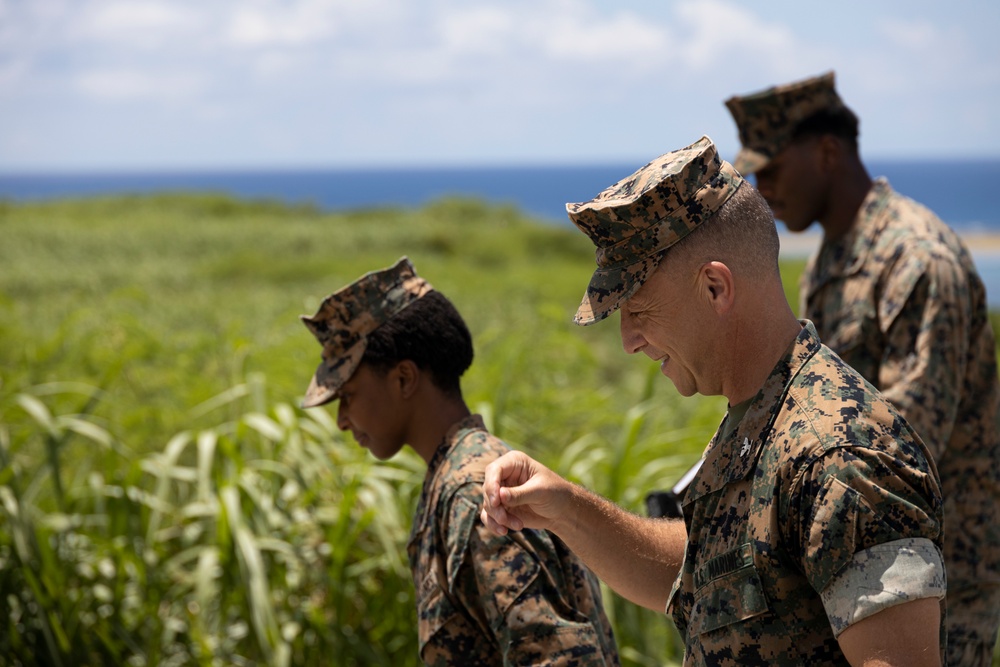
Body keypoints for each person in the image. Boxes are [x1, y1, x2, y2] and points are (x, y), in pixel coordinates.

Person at [481, 136, 947, 666]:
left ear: (714, 289)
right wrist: (565, 509)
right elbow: (705, 584)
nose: (629, 340)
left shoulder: (841, 454)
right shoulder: (758, 420)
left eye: (640, 310)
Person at [725, 71, 1000, 666]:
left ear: (827, 152)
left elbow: (901, 440)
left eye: (772, 169)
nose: (762, 188)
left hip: (939, 578)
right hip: (861, 560)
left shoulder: (916, 257)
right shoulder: (832, 255)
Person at [299, 257, 619, 666]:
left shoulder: (473, 496)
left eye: (348, 396)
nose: (342, 420)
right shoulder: (463, 476)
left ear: (403, 379)